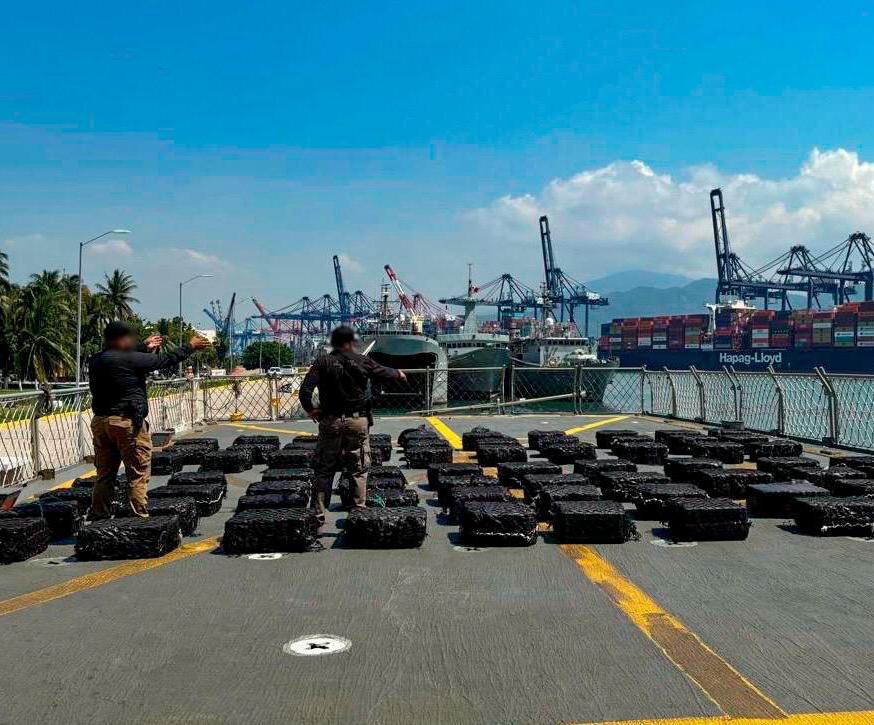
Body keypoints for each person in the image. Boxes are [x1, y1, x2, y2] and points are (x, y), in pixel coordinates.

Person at [88, 321, 211, 519]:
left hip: (101, 422)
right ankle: (139, 516)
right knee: (138, 471)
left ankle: (99, 514)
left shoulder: (96, 360)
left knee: (105, 473)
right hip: (126, 423)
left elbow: (122, 357)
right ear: (121, 339)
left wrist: (144, 347)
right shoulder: (129, 359)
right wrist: (190, 346)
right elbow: (165, 360)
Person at [299, 326, 406, 521]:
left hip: (330, 421)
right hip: (357, 421)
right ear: (351, 342)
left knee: (324, 470)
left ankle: (318, 515)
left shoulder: (322, 361)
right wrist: (398, 373)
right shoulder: (362, 360)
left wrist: (311, 410)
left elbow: (305, 391)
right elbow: (384, 373)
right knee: (358, 469)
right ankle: (358, 514)